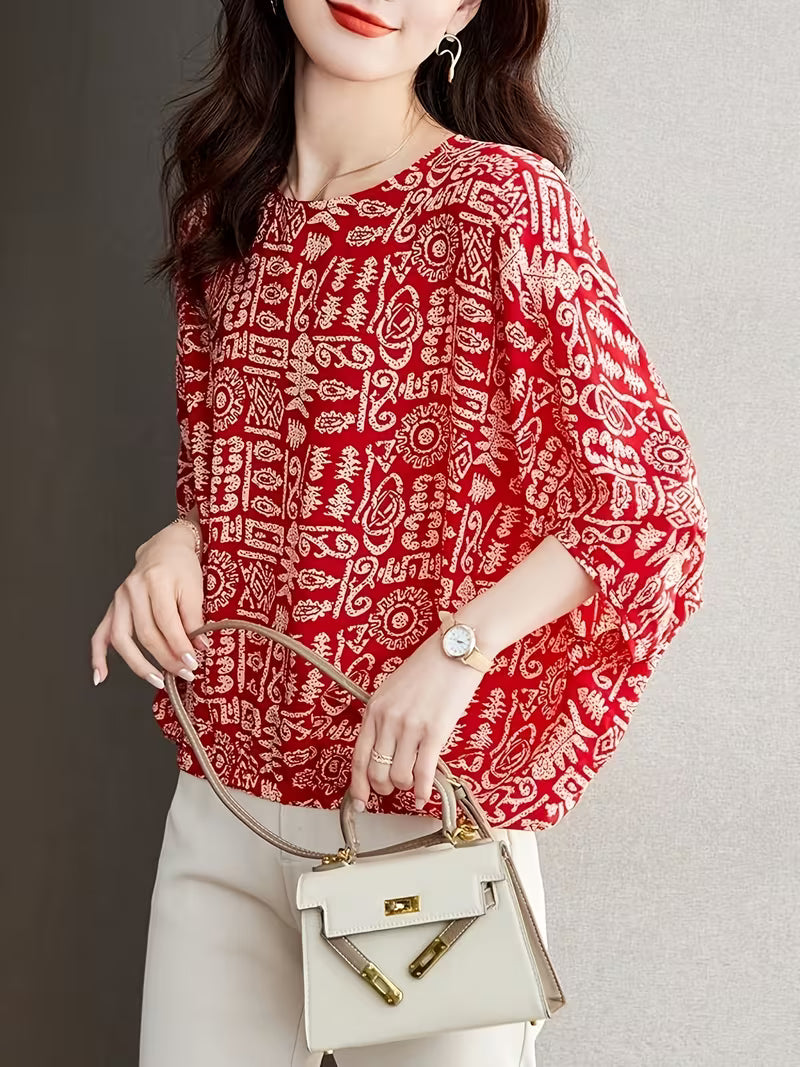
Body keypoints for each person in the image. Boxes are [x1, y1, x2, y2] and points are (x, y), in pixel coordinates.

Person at [89, 1, 708, 1064]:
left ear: (465, 8)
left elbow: (646, 504)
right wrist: (173, 545)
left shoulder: (501, 205)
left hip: (426, 838)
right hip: (224, 813)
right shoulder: (220, 213)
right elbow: (227, 479)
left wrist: (461, 647)